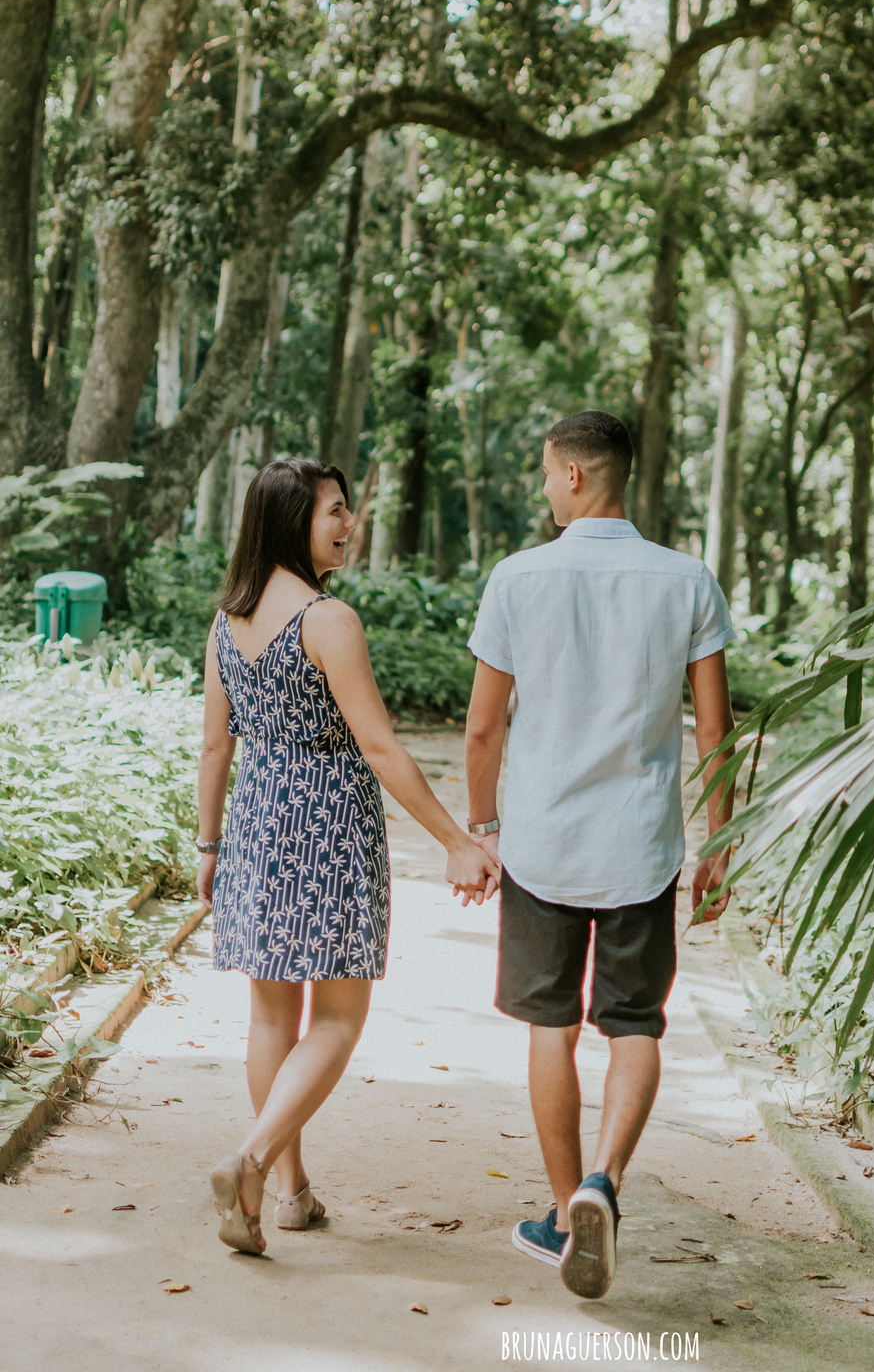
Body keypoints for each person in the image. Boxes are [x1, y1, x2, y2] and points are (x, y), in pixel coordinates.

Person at [464, 410, 737, 1301]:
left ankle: (558, 1203)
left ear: (576, 475)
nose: (544, 489)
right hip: (641, 848)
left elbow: (482, 727)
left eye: (547, 473)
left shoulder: (518, 578)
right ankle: (603, 1184)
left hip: (544, 843)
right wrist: (717, 844)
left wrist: (483, 825)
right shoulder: (686, 579)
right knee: (634, 1025)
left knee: (553, 1027)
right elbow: (715, 730)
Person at [196, 457, 497, 1256]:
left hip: (258, 821)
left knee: (270, 1014)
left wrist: (208, 845)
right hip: (326, 823)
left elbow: (213, 749)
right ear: (295, 519)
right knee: (336, 1016)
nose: (347, 523)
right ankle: (255, 1161)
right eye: (334, 510)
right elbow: (378, 747)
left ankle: (286, 1195)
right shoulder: (328, 620)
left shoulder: (227, 621)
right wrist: (458, 840)